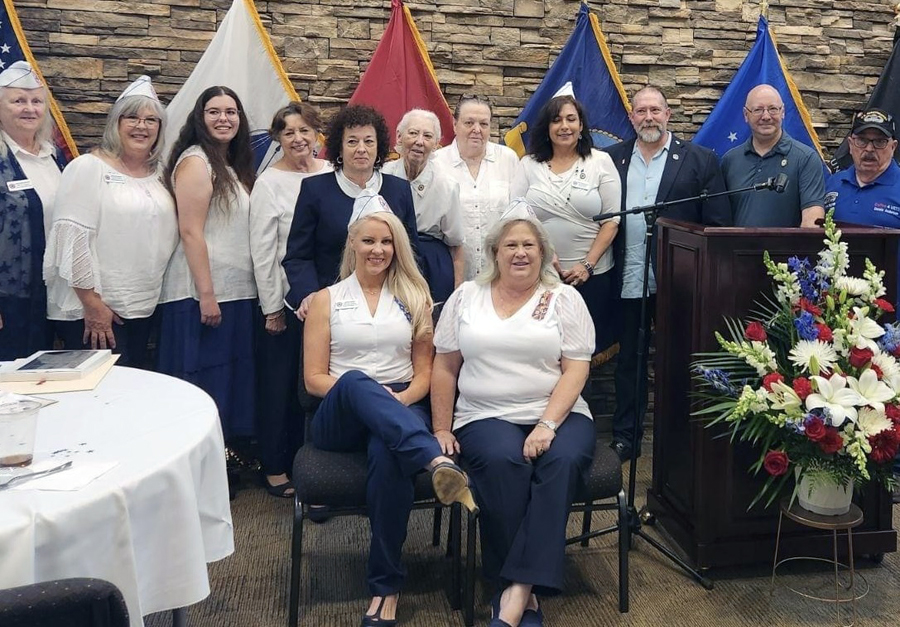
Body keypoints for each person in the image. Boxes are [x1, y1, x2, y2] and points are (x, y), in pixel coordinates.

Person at [303, 191, 476, 626]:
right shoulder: (326, 298)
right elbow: (314, 378)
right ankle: (435, 459)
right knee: (358, 381)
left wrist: (395, 401)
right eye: (368, 241)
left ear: (396, 247)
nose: (377, 250)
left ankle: (385, 587)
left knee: (387, 455)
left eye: (386, 242)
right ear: (352, 245)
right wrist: (372, 395)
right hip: (339, 408)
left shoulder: (415, 295)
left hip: (401, 404)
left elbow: (424, 372)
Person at [431, 202, 596, 627]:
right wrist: (440, 427)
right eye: (510, 245)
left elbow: (576, 368)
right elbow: (445, 366)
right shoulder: (466, 296)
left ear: (542, 252)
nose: (520, 253)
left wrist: (547, 424)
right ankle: (526, 592)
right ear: (494, 252)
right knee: (505, 461)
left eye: (529, 245)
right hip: (484, 414)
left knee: (560, 460)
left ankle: (515, 591)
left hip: (559, 412)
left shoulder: (564, 298)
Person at [604, 85, 733, 461]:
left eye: (655, 110)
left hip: (680, 282)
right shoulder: (612, 159)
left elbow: (717, 224)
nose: (648, 117)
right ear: (631, 118)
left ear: (668, 114)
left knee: (679, 362)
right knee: (629, 362)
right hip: (627, 279)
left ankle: (677, 440)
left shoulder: (699, 160)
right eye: (641, 111)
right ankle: (627, 437)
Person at [43, 76, 177, 368]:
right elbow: (72, 240)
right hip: (96, 311)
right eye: (132, 117)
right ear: (116, 123)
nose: (141, 126)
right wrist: (92, 305)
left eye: (151, 120)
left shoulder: (162, 175)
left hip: (142, 306)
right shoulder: (88, 168)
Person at [157, 86, 257, 454]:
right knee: (201, 385)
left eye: (231, 112)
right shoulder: (196, 161)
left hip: (235, 292)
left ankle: (223, 460)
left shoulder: (232, 165)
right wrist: (207, 294)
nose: (223, 118)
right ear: (200, 118)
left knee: (227, 381)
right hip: (200, 294)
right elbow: (190, 230)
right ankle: (196, 463)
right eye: (214, 111)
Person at [249, 102, 331, 498]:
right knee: (281, 387)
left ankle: (317, 467)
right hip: (285, 305)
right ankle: (276, 465)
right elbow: (263, 252)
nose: (298, 139)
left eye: (305, 130)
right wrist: (272, 309)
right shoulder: (268, 184)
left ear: (317, 134)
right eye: (288, 133)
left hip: (328, 304)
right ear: (278, 139)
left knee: (316, 388)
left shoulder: (333, 173)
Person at [282, 104, 419, 321]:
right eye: (352, 141)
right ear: (339, 147)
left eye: (368, 141)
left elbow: (410, 251)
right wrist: (310, 295)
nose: (361, 149)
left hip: (389, 306)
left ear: (379, 147)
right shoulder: (314, 190)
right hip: (328, 306)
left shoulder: (399, 190)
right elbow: (298, 256)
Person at [511, 90, 620, 359]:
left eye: (571, 119)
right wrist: (544, 258)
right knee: (542, 349)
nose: (564, 126)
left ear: (581, 126)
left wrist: (587, 265)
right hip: (539, 274)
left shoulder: (600, 162)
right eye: (557, 120)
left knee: (583, 353)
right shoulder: (528, 165)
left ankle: (579, 402)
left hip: (591, 277)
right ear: (547, 127)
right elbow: (515, 216)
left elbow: (612, 221)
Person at [0, 61, 64, 360]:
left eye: (36, 101)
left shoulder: (55, 157)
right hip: (10, 298)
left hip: (53, 295)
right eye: (18, 101)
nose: (29, 109)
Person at [382, 108, 465, 304]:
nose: (419, 141)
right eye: (413, 133)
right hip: (388, 261)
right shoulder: (382, 177)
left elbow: (457, 244)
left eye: (428, 136)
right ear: (399, 137)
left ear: (436, 144)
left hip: (431, 265)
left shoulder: (447, 186)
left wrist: (458, 290)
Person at [433, 94, 519, 280]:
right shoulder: (436, 163)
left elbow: (518, 215)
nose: (477, 130)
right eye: (469, 122)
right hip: (452, 275)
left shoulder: (508, 159)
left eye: (483, 124)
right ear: (455, 125)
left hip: (500, 274)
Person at [721, 83, 825, 227]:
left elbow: (812, 221)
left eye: (773, 109)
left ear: (783, 112)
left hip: (786, 249)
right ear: (746, 115)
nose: (766, 116)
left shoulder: (806, 159)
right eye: (758, 110)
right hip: (737, 249)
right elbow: (721, 218)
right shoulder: (729, 160)